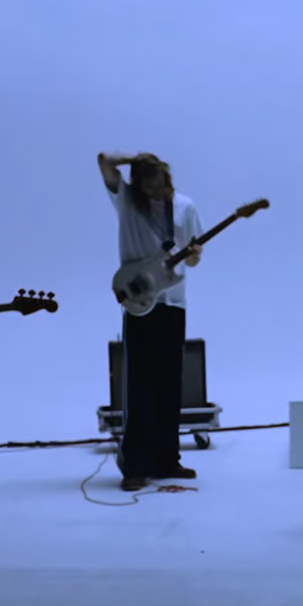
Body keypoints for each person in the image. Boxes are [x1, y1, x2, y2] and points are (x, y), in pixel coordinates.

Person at [97, 151, 204, 492]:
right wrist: (137, 158)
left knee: (170, 382)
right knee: (139, 384)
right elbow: (103, 160)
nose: (157, 192)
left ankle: (166, 460)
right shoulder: (126, 202)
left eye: (160, 184)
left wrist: (196, 254)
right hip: (139, 302)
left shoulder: (184, 206)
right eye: (149, 186)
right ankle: (135, 466)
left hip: (173, 300)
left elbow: (195, 256)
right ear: (138, 185)